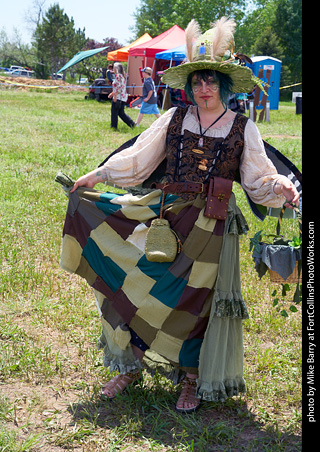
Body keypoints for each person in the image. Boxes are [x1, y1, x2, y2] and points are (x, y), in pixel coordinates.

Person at [60, 17, 300, 413]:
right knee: (141, 284)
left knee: (198, 302)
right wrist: (98, 175)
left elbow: (258, 178)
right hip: (167, 217)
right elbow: (137, 162)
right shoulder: (174, 119)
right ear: (189, 87)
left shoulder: (244, 128)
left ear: (223, 85)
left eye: (211, 81)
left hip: (214, 226)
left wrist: (280, 186)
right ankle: (131, 366)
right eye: (197, 82)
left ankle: (190, 380)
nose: (204, 88)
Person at [108, 62, 135, 130]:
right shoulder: (122, 76)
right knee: (121, 113)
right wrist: (112, 93)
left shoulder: (118, 76)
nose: (113, 69)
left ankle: (113, 126)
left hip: (118, 97)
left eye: (114, 67)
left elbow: (118, 88)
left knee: (114, 112)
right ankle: (132, 124)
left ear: (116, 68)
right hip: (123, 97)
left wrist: (115, 96)